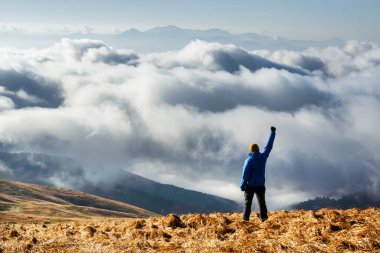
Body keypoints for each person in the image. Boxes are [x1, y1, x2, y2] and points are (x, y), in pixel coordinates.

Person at [240, 126, 276, 221]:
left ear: (251, 150)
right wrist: (273, 133)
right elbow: (269, 146)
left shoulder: (249, 161)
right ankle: (264, 219)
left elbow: (245, 175)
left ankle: (245, 220)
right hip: (260, 185)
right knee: (262, 203)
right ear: (258, 149)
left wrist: (242, 186)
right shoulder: (263, 157)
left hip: (250, 185)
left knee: (248, 203)